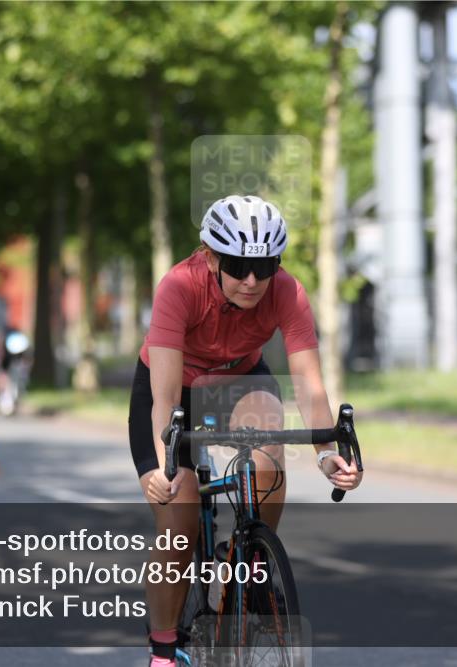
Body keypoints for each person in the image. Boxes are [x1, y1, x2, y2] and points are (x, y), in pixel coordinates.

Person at [129, 195, 363, 666]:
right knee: (178, 523)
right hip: (176, 387)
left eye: (265, 266)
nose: (253, 281)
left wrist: (326, 451)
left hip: (242, 377)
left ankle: (248, 568)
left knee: (268, 466)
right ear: (210, 256)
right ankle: (163, 651)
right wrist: (166, 464)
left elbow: (310, 384)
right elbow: (167, 400)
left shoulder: (287, 291)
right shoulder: (179, 285)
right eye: (237, 266)